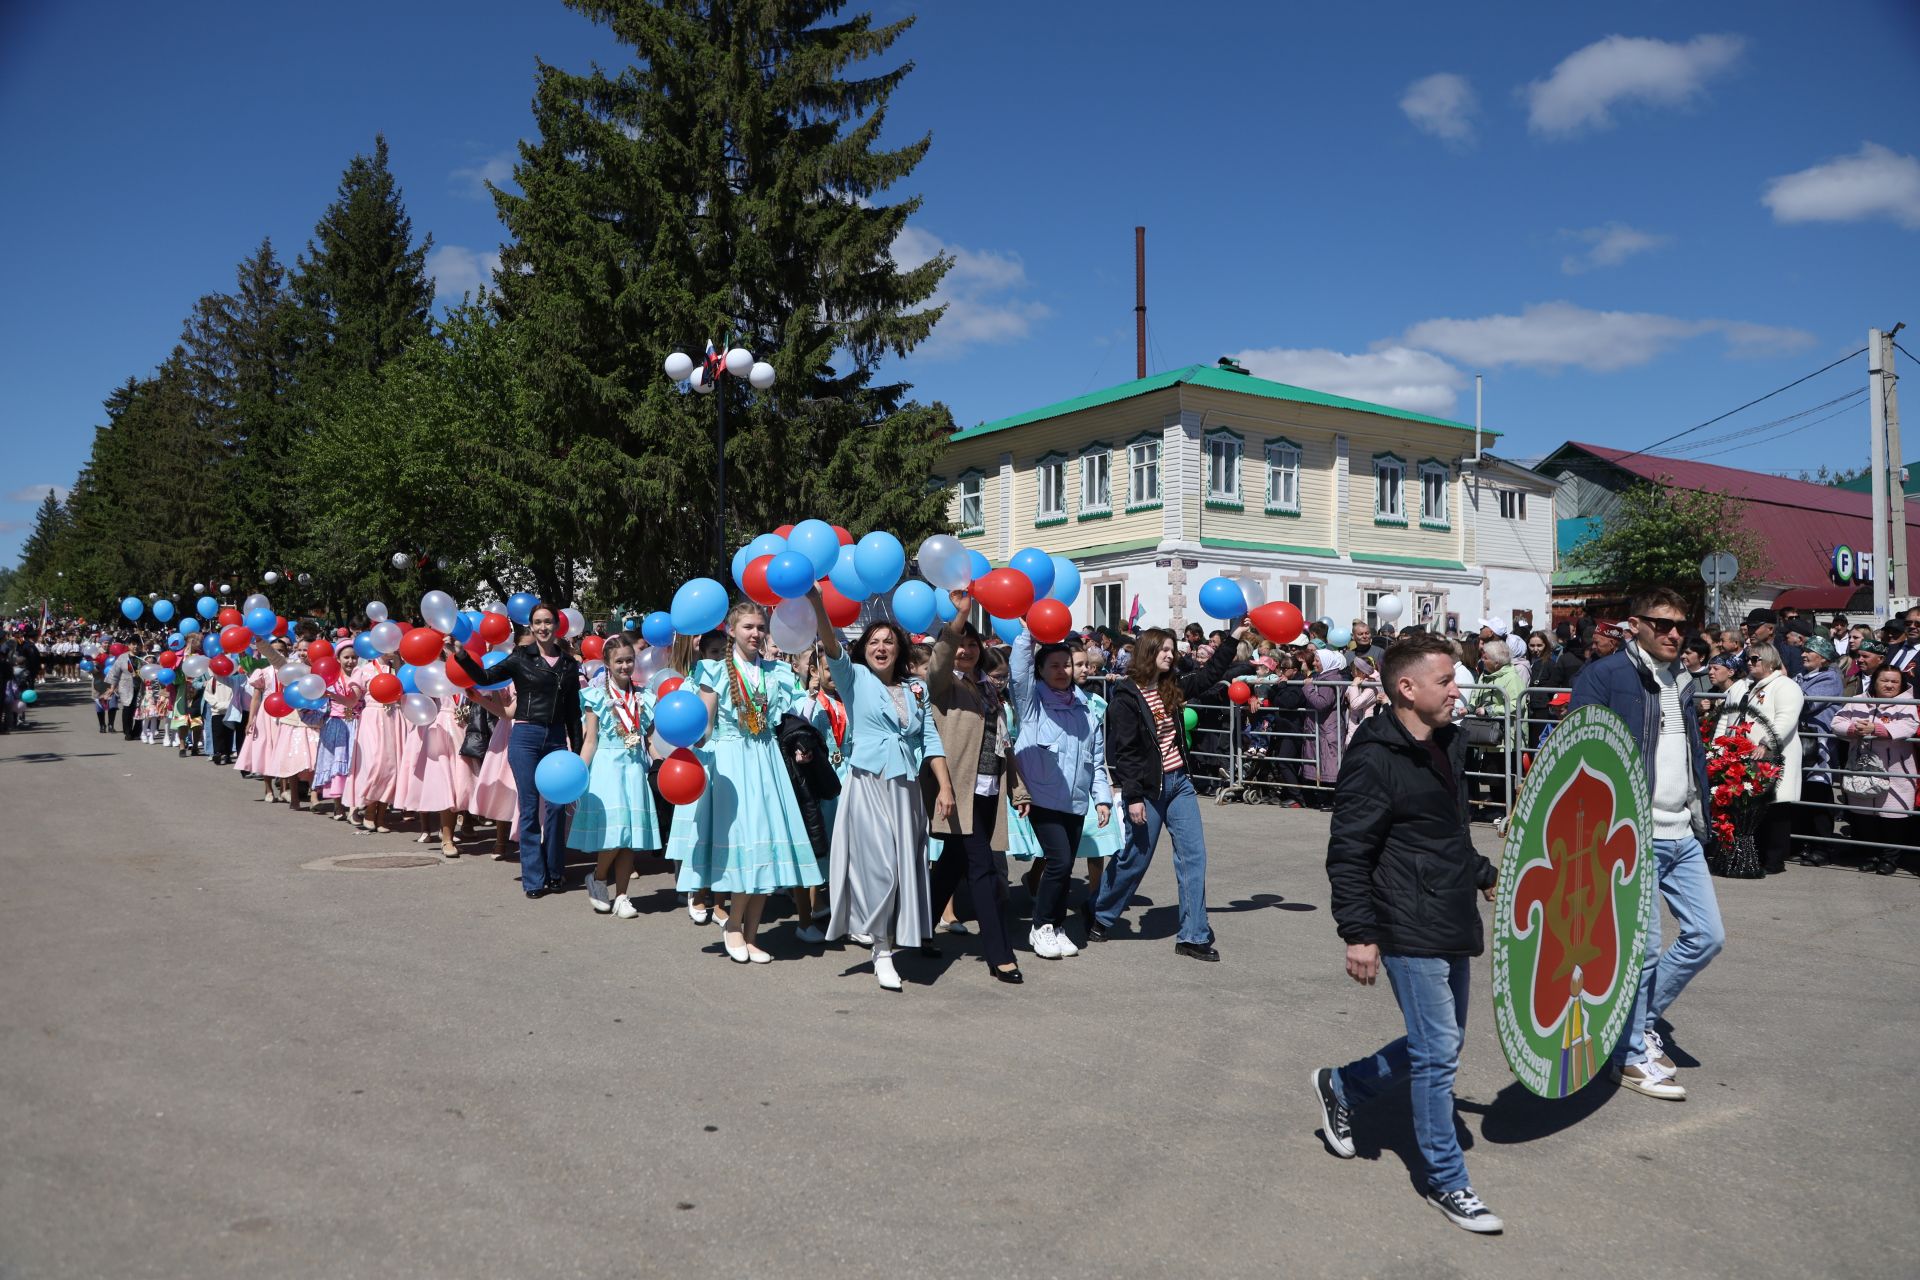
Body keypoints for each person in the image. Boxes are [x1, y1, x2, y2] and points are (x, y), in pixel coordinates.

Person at [1312, 631, 1504, 1235]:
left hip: (1450, 911)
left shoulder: (1449, 742)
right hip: (1403, 919)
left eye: (1455, 678)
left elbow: (1444, 831)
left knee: (1438, 1044)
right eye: (1445, 680)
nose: (1456, 689)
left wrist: (1481, 873)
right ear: (1406, 688)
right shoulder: (1374, 756)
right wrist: (1359, 932)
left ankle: (1343, 1085)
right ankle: (1448, 1182)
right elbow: (1348, 851)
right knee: (1438, 1053)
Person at [1570, 587, 1721, 1101]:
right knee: (1646, 949)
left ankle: (1636, 1022)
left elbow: (1687, 755)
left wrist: (1703, 813)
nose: (1675, 634)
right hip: (1632, 834)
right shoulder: (1606, 676)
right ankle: (1629, 1055)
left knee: (1707, 936)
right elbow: (1581, 750)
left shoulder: (1682, 679)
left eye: (1681, 625)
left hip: (1683, 831)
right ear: (1635, 625)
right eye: (1662, 624)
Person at [813, 597, 955, 991]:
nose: (880, 647)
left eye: (888, 642)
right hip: (869, 784)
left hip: (906, 788)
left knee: (906, 866)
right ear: (865, 648)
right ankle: (882, 950)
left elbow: (929, 737)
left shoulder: (915, 688)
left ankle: (885, 936)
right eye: (874, 641)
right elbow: (831, 646)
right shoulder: (854, 678)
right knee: (882, 868)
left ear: (899, 649)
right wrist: (816, 603)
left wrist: (944, 785)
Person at [667, 600, 821, 964]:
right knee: (742, 841)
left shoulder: (776, 672)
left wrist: (813, 696)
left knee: (765, 843)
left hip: (765, 760)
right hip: (731, 763)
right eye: (748, 627)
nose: (755, 633)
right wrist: (689, 753)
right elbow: (704, 727)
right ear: (732, 631)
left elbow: (803, 709)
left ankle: (751, 935)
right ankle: (733, 925)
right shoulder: (714, 670)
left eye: (760, 627)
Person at [1090, 622, 1245, 962]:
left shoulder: (1169, 687)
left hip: (1179, 785)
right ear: (1147, 652)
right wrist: (1132, 797)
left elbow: (1208, 676)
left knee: (1194, 856)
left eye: (1172, 650)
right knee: (1135, 858)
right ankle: (1102, 913)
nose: (1170, 654)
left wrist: (1233, 639)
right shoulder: (1127, 697)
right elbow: (1126, 753)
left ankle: (1193, 935)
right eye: (1163, 649)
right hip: (1146, 789)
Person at [923, 596, 1025, 985]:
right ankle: (1000, 954)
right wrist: (960, 619)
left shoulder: (990, 690)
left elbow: (1003, 744)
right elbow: (940, 661)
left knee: (951, 865)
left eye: (971, 644)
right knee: (983, 869)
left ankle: (917, 929)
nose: (965, 650)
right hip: (956, 791)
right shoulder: (943, 685)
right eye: (959, 644)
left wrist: (1019, 791)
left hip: (987, 792)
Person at [452, 603, 584, 898]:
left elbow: (574, 712)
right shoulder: (521, 657)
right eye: (537, 622)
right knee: (528, 807)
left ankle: (555, 871)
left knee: (556, 807)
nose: (542, 628)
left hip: (555, 738)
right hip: (525, 736)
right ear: (531, 626)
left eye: (548, 622)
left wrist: (575, 752)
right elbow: (486, 678)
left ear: (556, 625)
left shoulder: (568, 664)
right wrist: (461, 657)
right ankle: (534, 878)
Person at [569, 636, 660, 919]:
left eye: (629, 660)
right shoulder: (596, 697)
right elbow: (590, 741)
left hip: (634, 768)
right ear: (607, 663)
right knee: (614, 833)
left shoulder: (644, 697)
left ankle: (622, 896)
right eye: (618, 661)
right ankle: (598, 876)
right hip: (607, 768)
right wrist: (578, 775)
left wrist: (658, 763)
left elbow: (649, 739)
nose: (625, 666)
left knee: (630, 836)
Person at [1721, 643, 1804, 875]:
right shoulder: (1742, 686)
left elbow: (1786, 719)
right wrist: (1721, 745)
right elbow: (1728, 716)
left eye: (1755, 658)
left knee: (1776, 809)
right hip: (1743, 756)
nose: (1749, 662)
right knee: (1749, 809)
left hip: (1774, 755)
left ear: (1769, 661)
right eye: (1747, 658)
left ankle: (1775, 860)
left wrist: (1766, 742)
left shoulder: (1786, 686)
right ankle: (1751, 856)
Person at [1831, 664, 1918, 875]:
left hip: (1896, 770)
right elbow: (1836, 722)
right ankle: (1870, 855)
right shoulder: (1858, 700)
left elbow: (1909, 726)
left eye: (1894, 681)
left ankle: (1890, 859)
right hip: (1861, 769)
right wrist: (1853, 729)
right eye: (1884, 680)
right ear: (1875, 681)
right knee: (1864, 817)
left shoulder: (1908, 703)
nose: (1889, 685)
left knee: (1893, 817)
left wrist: (1877, 729)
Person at [1791, 636, 1844, 866]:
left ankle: (1823, 845)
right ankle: (1804, 842)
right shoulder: (1801, 676)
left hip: (1819, 745)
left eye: (1810, 651)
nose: (1804, 654)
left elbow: (1805, 703)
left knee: (1819, 792)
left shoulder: (1830, 678)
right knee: (1802, 794)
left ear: (1822, 658)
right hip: (1800, 743)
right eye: (1804, 650)